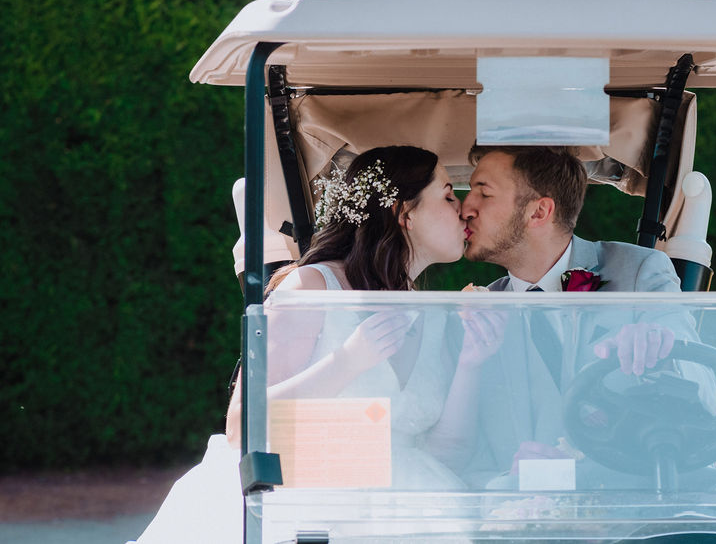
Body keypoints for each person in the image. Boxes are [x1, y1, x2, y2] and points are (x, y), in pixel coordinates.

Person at [134, 146, 506, 544]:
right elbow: (242, 425)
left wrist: (470, 364)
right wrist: (347, 360)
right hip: (306, 507)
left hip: (410, 513)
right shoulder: (312, 288)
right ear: (404, 213)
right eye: (448, 194)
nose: (462, 209)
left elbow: (445, 452)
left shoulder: (431, 316)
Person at [457, 145, 716, 489]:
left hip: (633, 500)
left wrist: (664, 351)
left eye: (483, 193)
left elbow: (707, 392)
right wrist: (509, 481)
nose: (466, 208)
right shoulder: (478, 314)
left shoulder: (639, 272)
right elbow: (467, 457)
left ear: (539, 212)